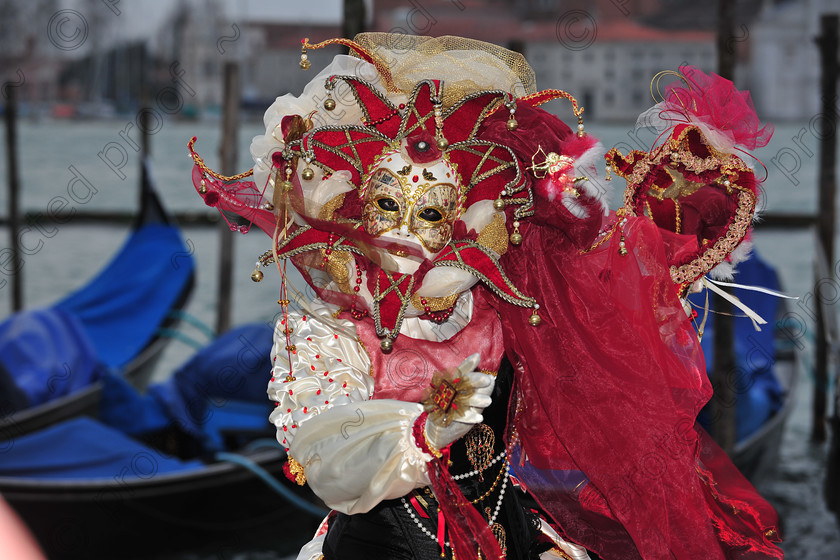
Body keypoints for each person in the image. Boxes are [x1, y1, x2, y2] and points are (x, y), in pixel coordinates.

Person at [190, 33, 783, 560]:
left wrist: (663, 225)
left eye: (432, 213)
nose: (404, 232)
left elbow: (604, 320)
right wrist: (421, 432)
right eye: (388, 205)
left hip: (512, 535)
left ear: (464, 217)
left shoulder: (497, 299)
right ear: (353, 203)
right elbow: (322, 448)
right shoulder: (328, 325)